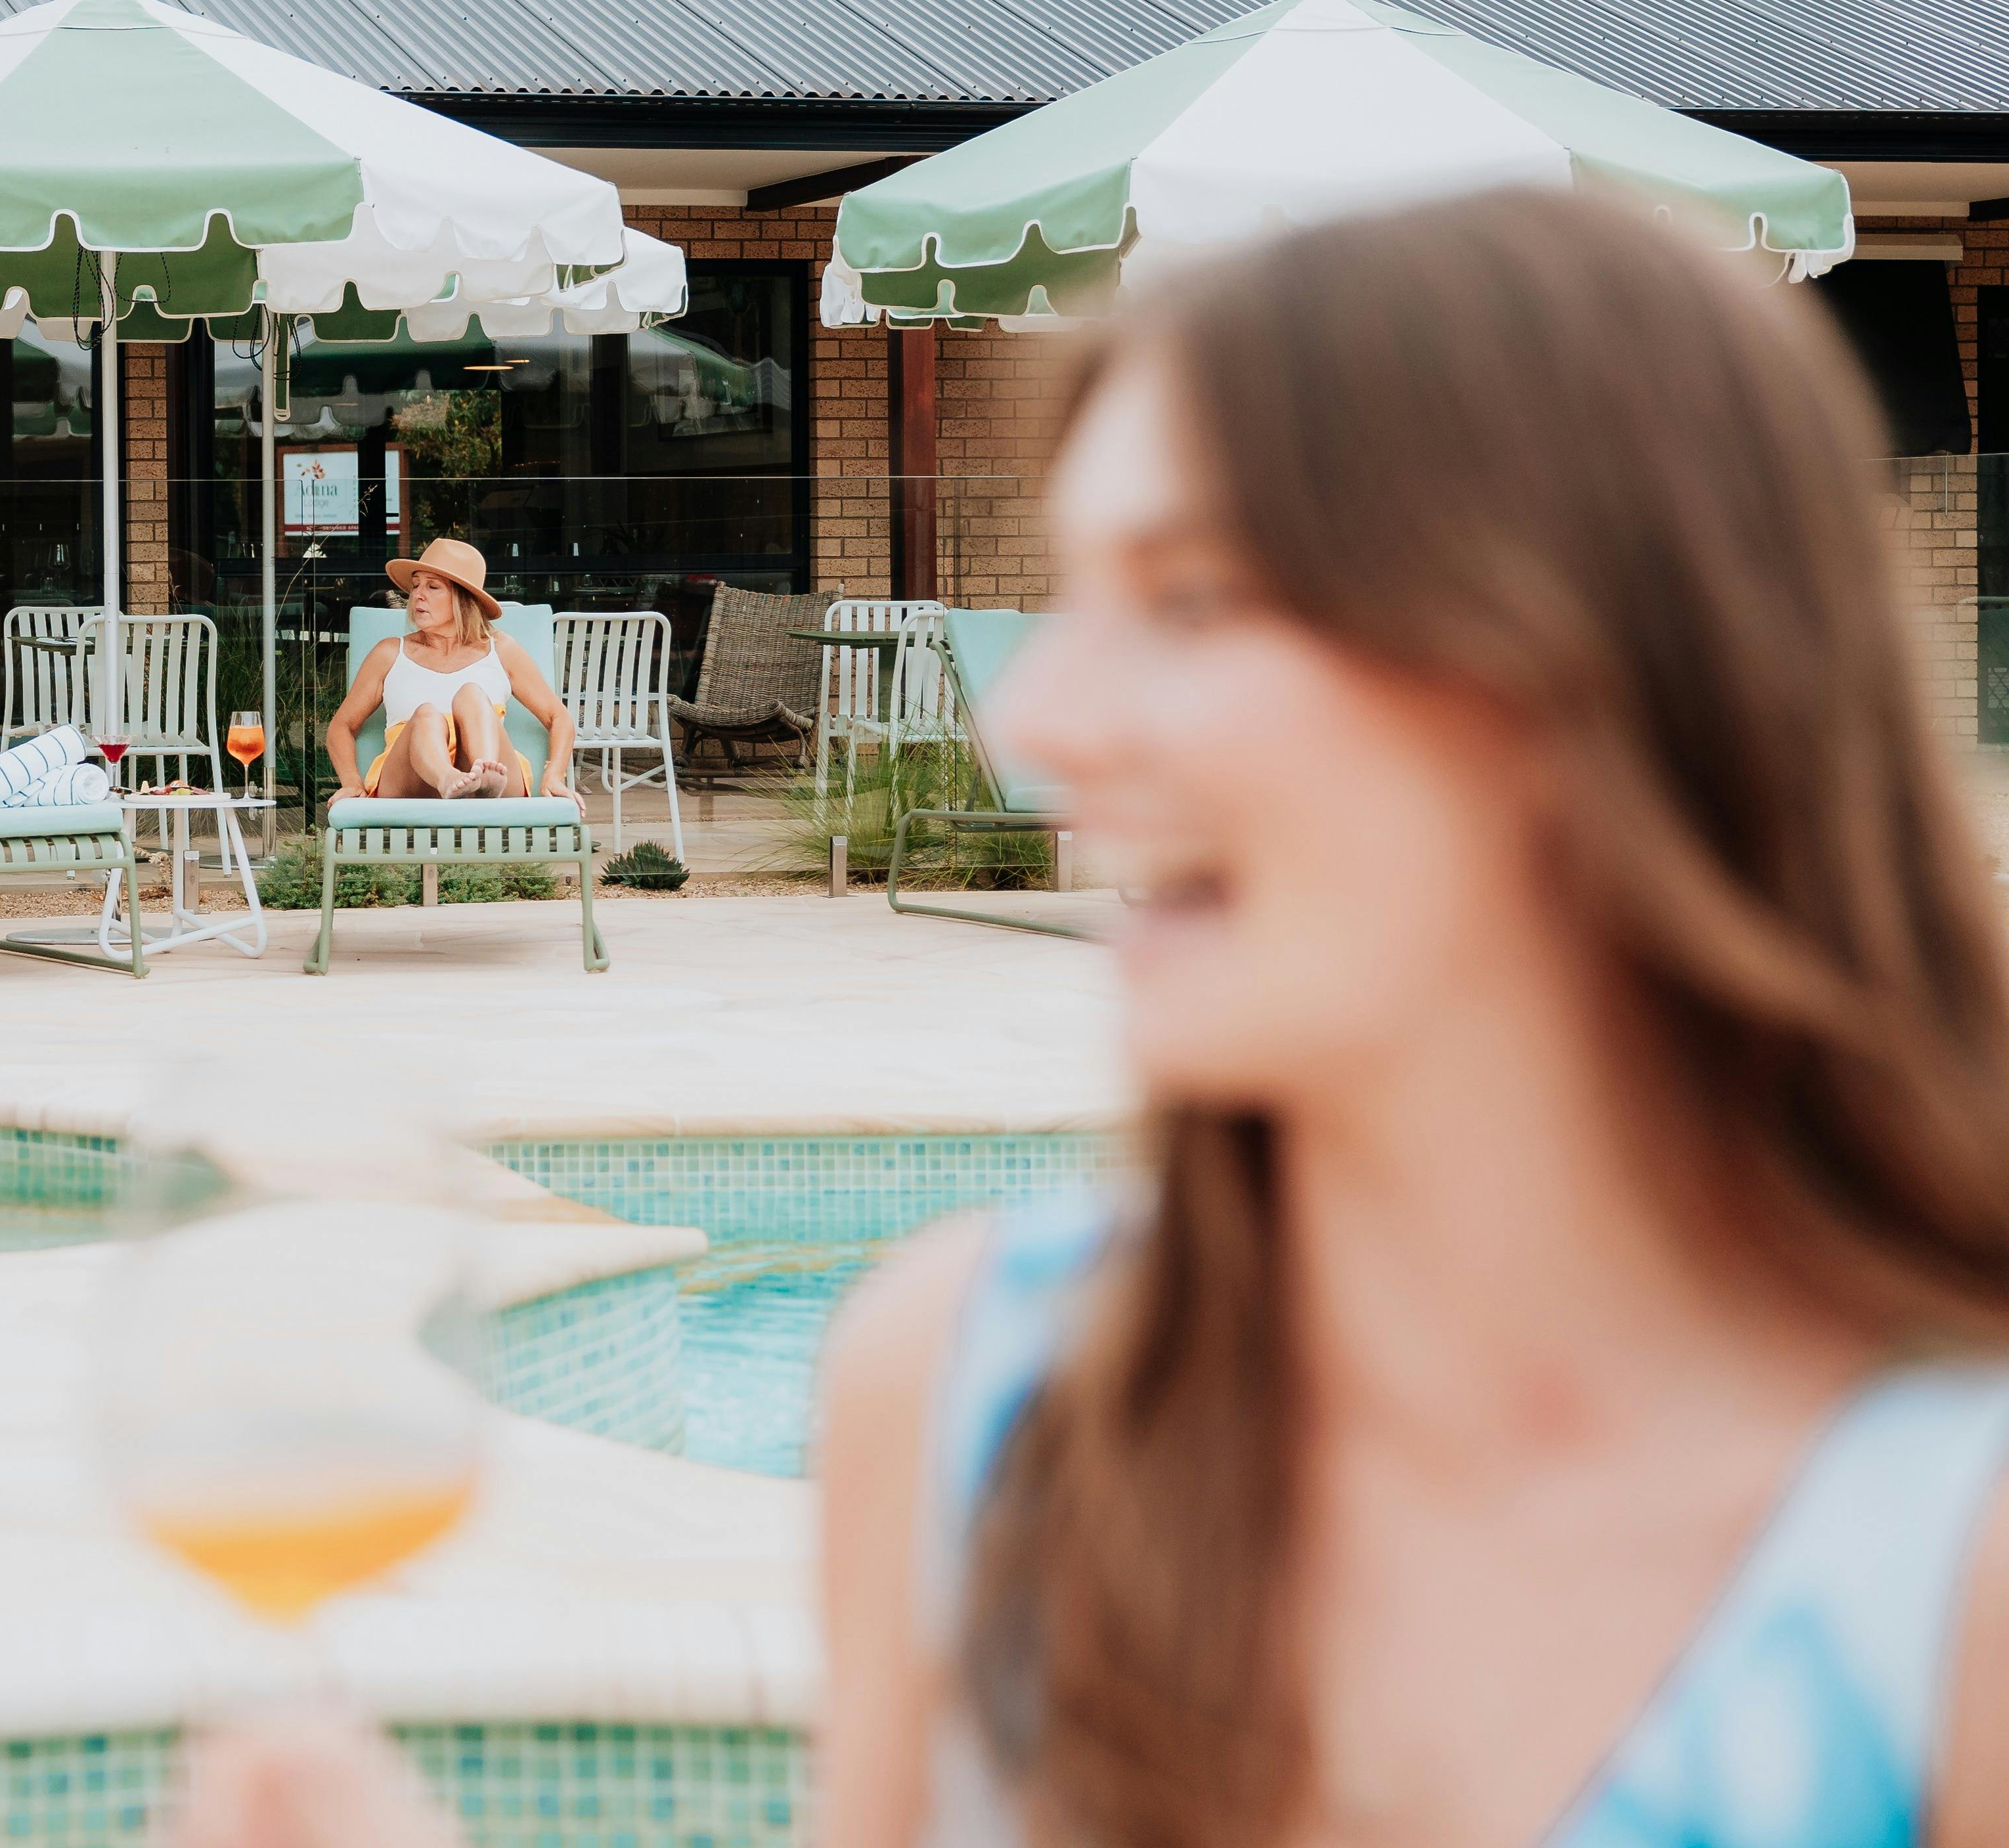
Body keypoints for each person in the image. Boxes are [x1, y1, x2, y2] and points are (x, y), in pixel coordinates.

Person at [816, 194, 2009, 1848]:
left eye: (1187, 602)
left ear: (1582, 670)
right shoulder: (963, 1390)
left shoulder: (1953, 1541)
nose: (1041, 718)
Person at [322, 538, 572, 808]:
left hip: (491, 769)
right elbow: (341, 726)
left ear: (463, 600)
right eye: (416, 585)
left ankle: (484, 776)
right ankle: (447, 780)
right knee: (426, 714)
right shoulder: (390, 653)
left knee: (472, 695)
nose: (418, 595)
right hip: (412, 777)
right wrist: (351, 783)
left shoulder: (502, 649)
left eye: (433, 587)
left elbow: (558, 717)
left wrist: (554, 775)